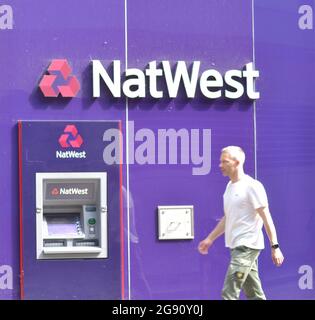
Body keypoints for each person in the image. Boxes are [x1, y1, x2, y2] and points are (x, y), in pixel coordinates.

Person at [198, 146, 284, 300]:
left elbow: (266, 217)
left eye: (224, 162)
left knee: (229, 292)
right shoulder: (229, 187)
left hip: (247, 248)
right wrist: (210, 239)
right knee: (254, 295)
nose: (220, 165)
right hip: (236, 247)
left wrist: (275, 247)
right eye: (220, 162)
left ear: (237, 162)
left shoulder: (253, 186)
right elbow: (228, 218)